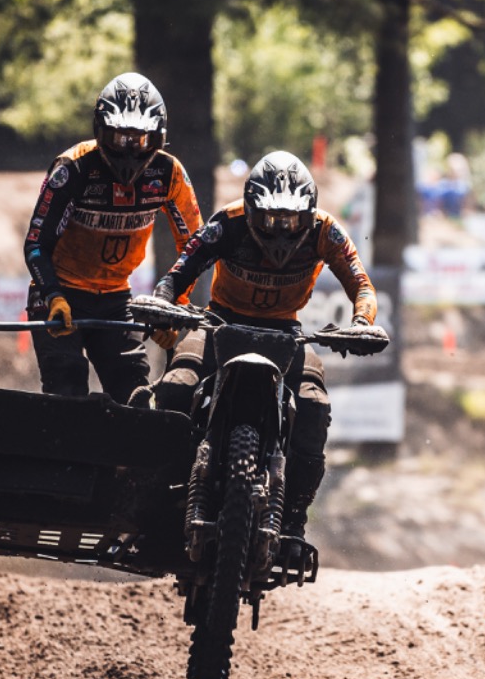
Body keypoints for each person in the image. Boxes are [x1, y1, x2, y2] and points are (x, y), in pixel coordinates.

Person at [139, 151, 385, 543]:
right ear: (252, 208)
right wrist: (164, 307)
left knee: (314, 408)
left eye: (292, 220)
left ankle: (294, 518)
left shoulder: (326, 231)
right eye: (271, 219)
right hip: (219, 324)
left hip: (286, 335)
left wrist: (361, 324)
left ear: (309, 212)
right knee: (174, 388)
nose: (281, 230)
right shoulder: (227, 223)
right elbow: (178, 273)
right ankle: (160, 497)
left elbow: (362, 286)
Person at [23, 72, 203, 400]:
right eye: (119, 138)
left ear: (159, 138)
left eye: (141, 140)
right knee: (67, 385)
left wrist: (172, 305)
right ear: (100, 130)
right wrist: (53, 295)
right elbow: (36, 243)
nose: (129, 151)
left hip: (116, 299)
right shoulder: (72, 168)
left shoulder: (169, 172)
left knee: (134, 391)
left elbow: (195, 247)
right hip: (58, 294)